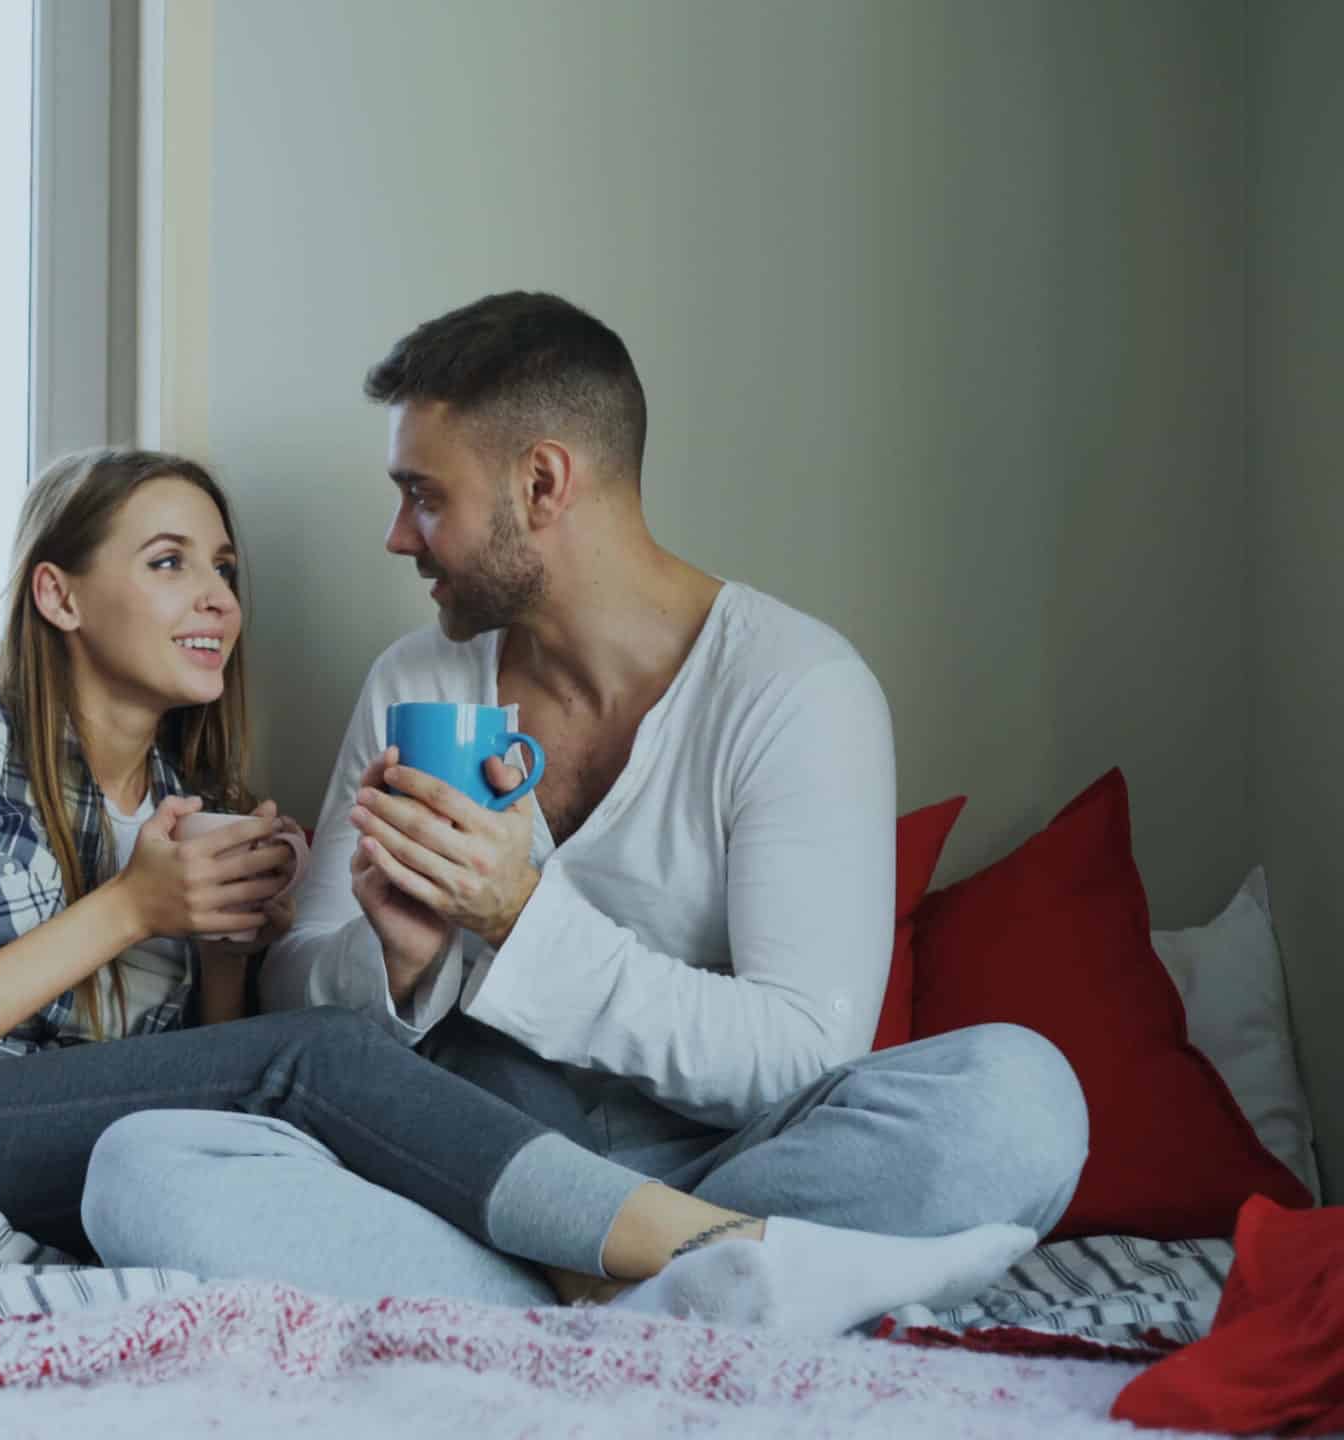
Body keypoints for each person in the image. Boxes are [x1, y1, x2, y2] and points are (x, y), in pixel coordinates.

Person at [0, 445, 1040, 1336]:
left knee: (197, 1143)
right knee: (323, 1055)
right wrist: (130, 912)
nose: (216, 599)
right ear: (58, 592)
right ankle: (705, 1254)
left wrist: (238, 946)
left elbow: (191, 1086)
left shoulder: (209, 803)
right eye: (171, 561)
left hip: (49, 1153)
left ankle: (578, 1292)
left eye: (227, 569)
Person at [79, 293, 1088, 1317]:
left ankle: (576, 1292)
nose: (397, 536)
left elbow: (798, 1055)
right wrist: (395, 958)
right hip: (468, 1174)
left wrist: (516, 918)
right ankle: (695, 1287)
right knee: (142, 1163)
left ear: (543, 482)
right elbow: (299, 1011)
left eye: (424, 496)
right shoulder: (418, 684)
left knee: (1021, 1101)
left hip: (721, 1168)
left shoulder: (796, 688)